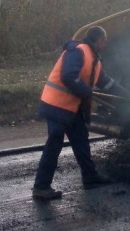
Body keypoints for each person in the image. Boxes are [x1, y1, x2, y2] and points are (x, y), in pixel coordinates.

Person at [32, 26, 123, 201]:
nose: (106, 43)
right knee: (54, 144)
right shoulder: (78, 51)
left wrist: (125, 93)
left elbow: (105, 82)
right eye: (105, 40)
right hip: (56, 106)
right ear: (99, 40)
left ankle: (90, 177)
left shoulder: (94, 59)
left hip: (72, 109)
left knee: (81, 142)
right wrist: (86, 91)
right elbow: (68, 77)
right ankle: (41, 187)